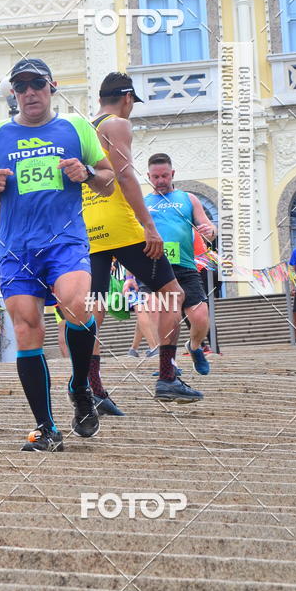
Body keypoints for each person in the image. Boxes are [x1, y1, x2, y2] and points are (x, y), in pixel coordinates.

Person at [0, 57, 114, 452]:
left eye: (36, 84)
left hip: (65, 241)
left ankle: (80, 385)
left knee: (77, 305)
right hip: (16, 248)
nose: (29, 92)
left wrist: (87, 174)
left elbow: (109, 180)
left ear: (51, 86)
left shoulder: (76, 128)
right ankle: (46, 427)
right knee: (27, 330)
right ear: (13, 93)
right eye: (20, 86)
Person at [81, 72, 202, 406]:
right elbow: (125, 175)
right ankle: (167, 376)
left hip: (90, 226)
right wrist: (149, 226)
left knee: (97, 307)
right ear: (128, 98)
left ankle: (93, 388)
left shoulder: (85, 129)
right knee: (173, 294)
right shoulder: (117, 124)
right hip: (120, 224)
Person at [142, 153, 217, 377]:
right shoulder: (143, 202)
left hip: (185, 266)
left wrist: (209, 232)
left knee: (201, 318)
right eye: (155, 177)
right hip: (155, 266)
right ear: (148, 177)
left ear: (172, 174)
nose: (160, 180)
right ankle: (167, 364)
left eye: (164, 175)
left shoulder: (188, 198)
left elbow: (209, 228)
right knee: (160, 314)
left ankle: (194, 347)